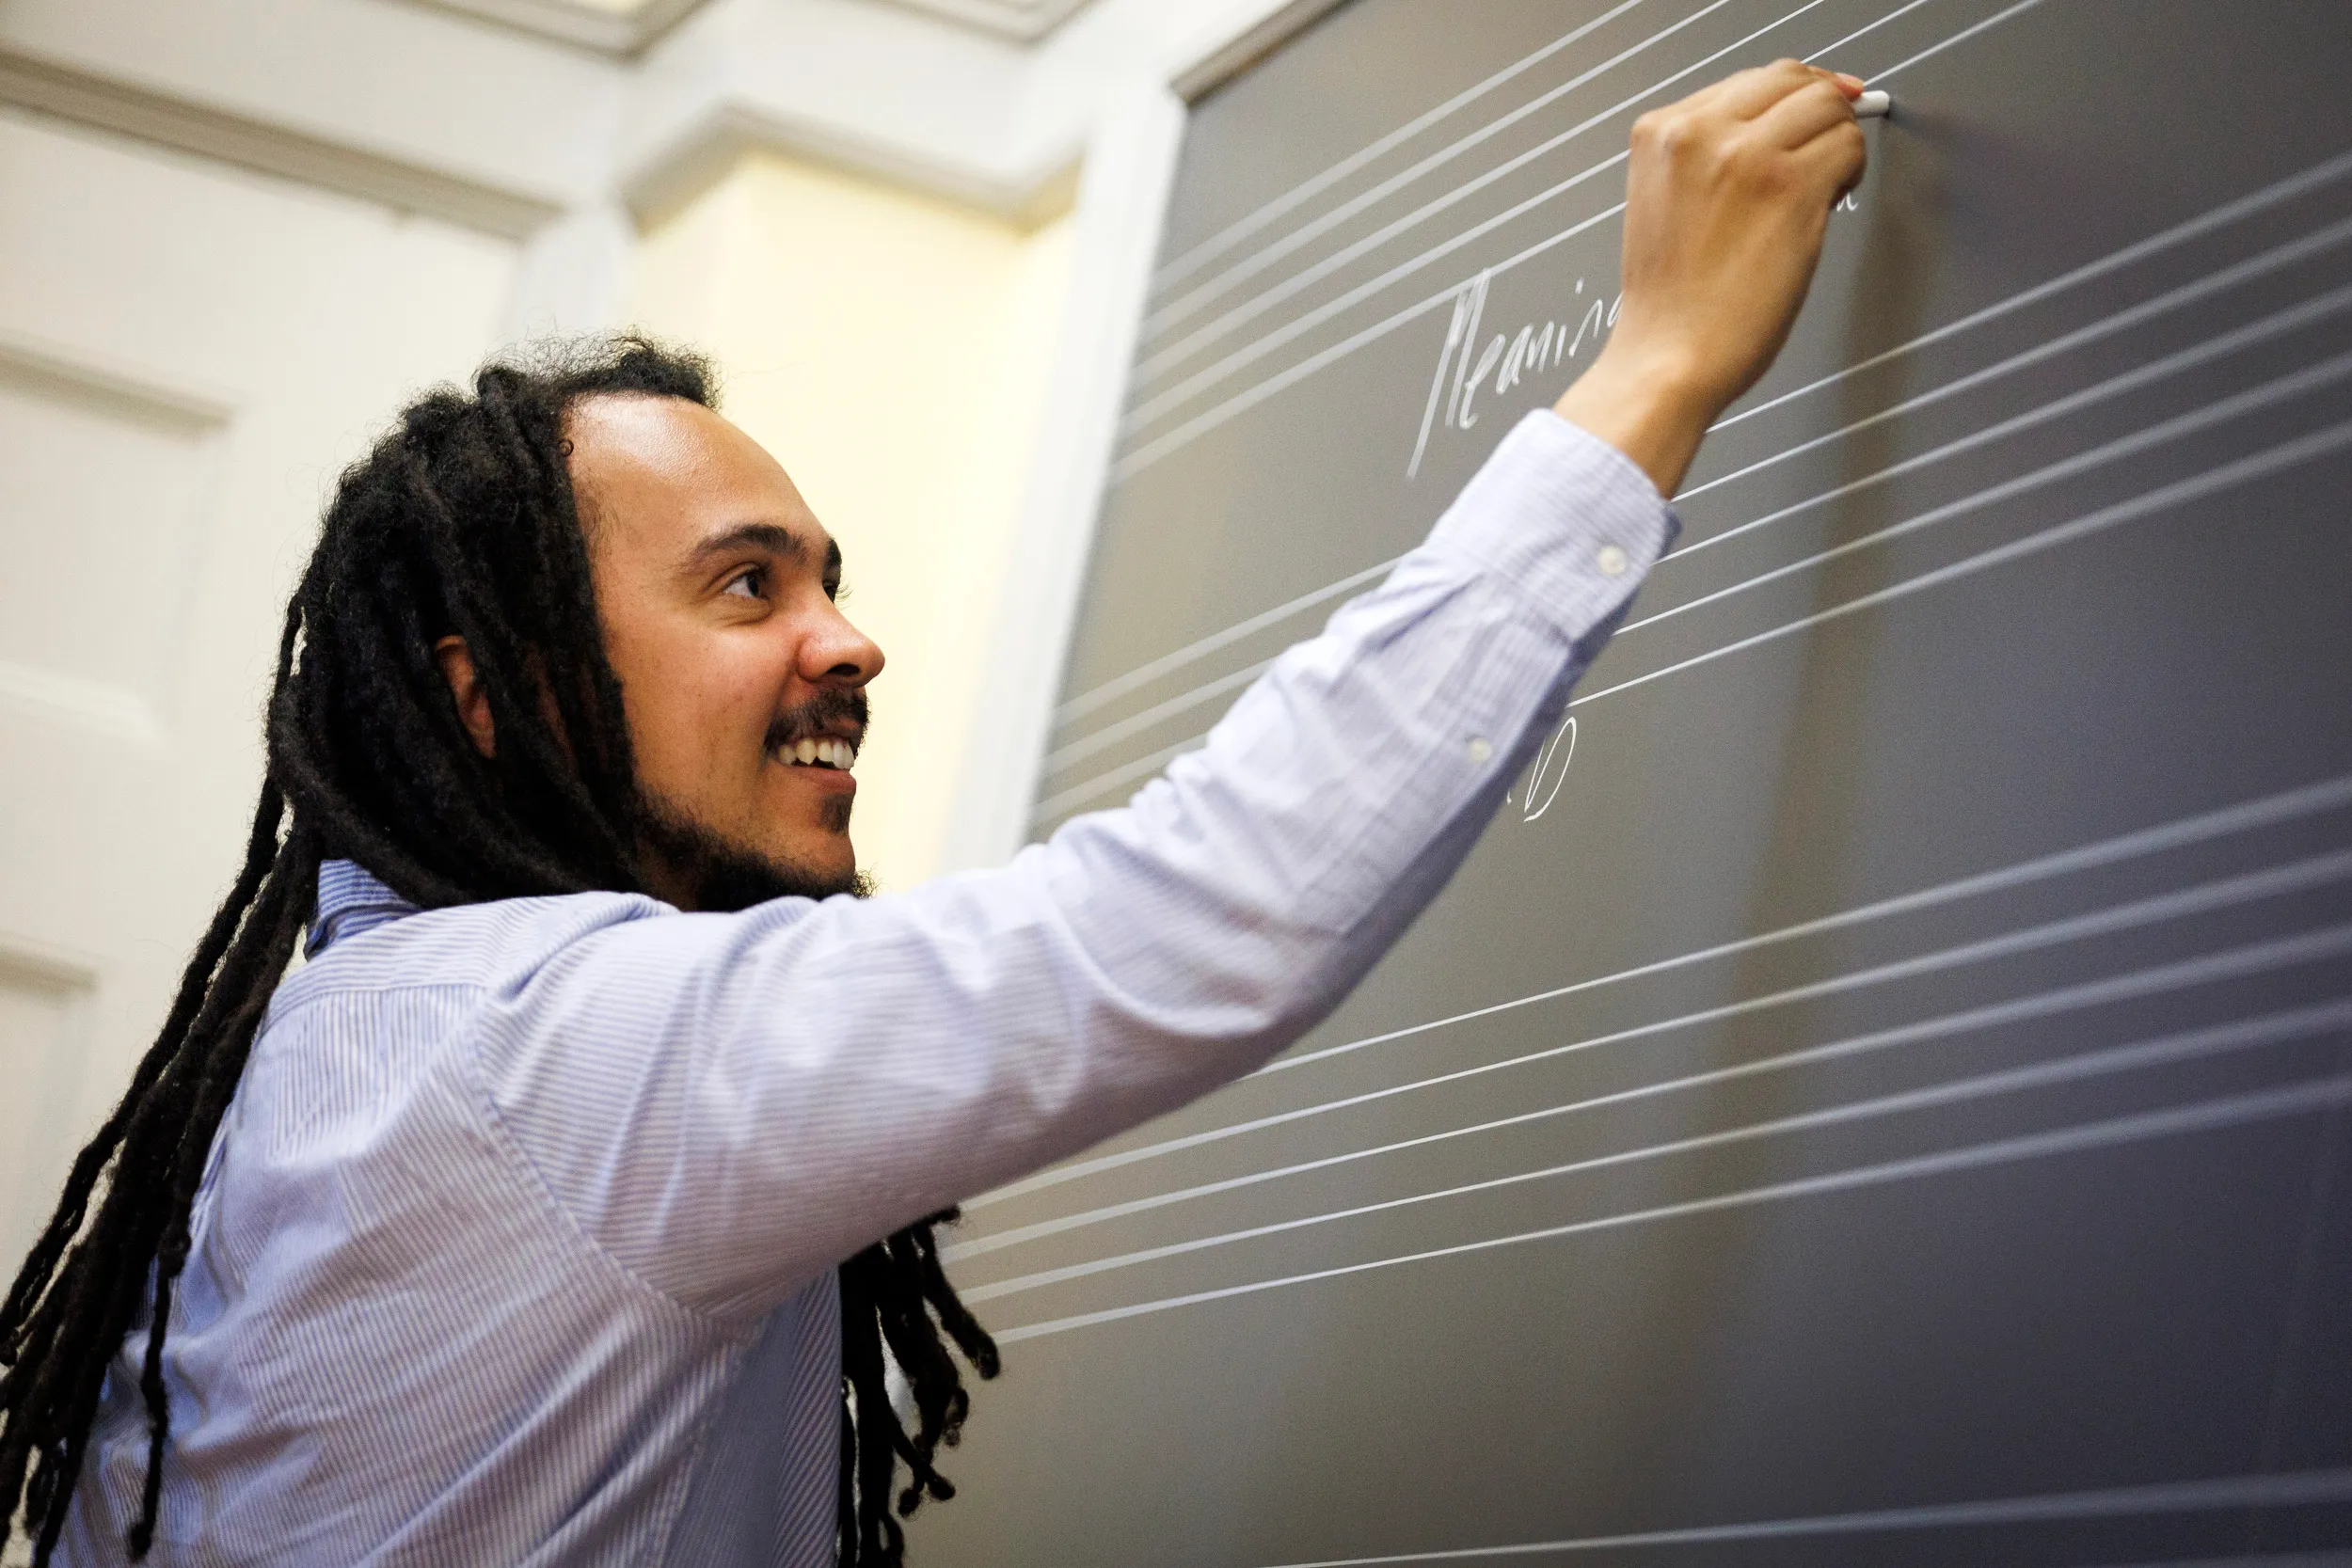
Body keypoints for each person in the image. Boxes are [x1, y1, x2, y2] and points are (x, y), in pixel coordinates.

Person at [0, 60, 1870, 1568]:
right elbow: (1185, 916)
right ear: (495, 695)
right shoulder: (550, 1047)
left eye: (828, 576)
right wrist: (1647, 371)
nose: (851, 640)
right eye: (747, 587)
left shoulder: (350, 1041)